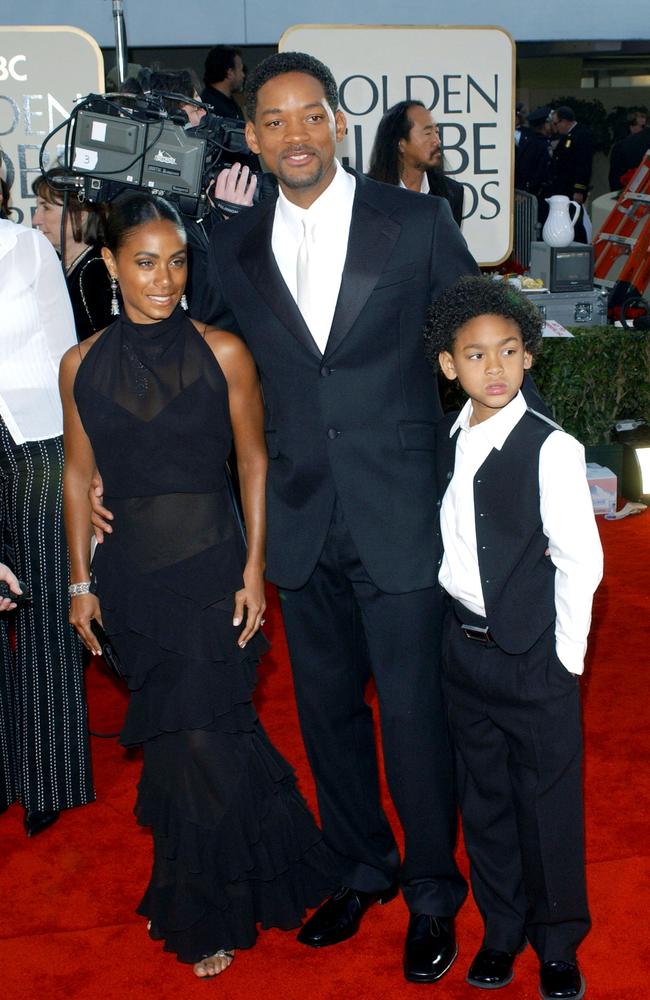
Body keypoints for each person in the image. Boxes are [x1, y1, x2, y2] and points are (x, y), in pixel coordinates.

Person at [60, 192, 334, 979]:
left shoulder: (224, 352)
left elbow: (253, 462)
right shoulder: (80, 363)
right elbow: (80, 478)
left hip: (215, 570)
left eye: (177, 262)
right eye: (144, 263)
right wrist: (79, 582)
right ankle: (272, 868)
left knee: (204, 743)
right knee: (191, 749)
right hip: (132, 584)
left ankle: (201, 909)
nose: (163, 280)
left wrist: (255, 567)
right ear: (109, 264)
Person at [424, 276, 603, 1000]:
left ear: (529, 357)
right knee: (485, 799)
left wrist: (566, 658)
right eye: (475, 356)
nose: (493, 368)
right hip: (463, 653)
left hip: (535, 659)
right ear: (449, 367)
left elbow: (581, 560)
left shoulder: (551, 448)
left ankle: (557, 941)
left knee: (548, 804)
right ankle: (501, 930)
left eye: (507, 352)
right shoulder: (451, 436)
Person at [0, 216, 94, 835]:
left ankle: (47, 776)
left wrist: (86, 464)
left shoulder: (25, 246)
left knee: (42, 607)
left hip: (36, 441)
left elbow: (70, 359)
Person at [32, 176, 112, 340]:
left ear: (81, 216)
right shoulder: (65, 265)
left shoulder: (95, 271)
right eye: (37, 209)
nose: (36, 220)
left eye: (46, 208)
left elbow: (106, 347)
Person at [367, 100, 464, 227]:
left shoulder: (452, 193)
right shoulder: (369, 192)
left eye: (437, 132)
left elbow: (450, 246)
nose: (437, 141)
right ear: (401, 144)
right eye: (428, 133)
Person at [548, 106, 593, 243]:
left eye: (556, 123)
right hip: (563, 187)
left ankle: (580, 243)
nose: (555, 127)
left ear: (565, 121)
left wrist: (579, 189)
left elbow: (583, 165)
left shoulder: (581, 135)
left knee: (574, 220)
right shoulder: (567, 136)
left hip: (572, 188)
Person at [201, 46, 246, 121]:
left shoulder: (228, 102)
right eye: (241, 70)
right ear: (230, 73)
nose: (243, 75)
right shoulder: (210, 107)